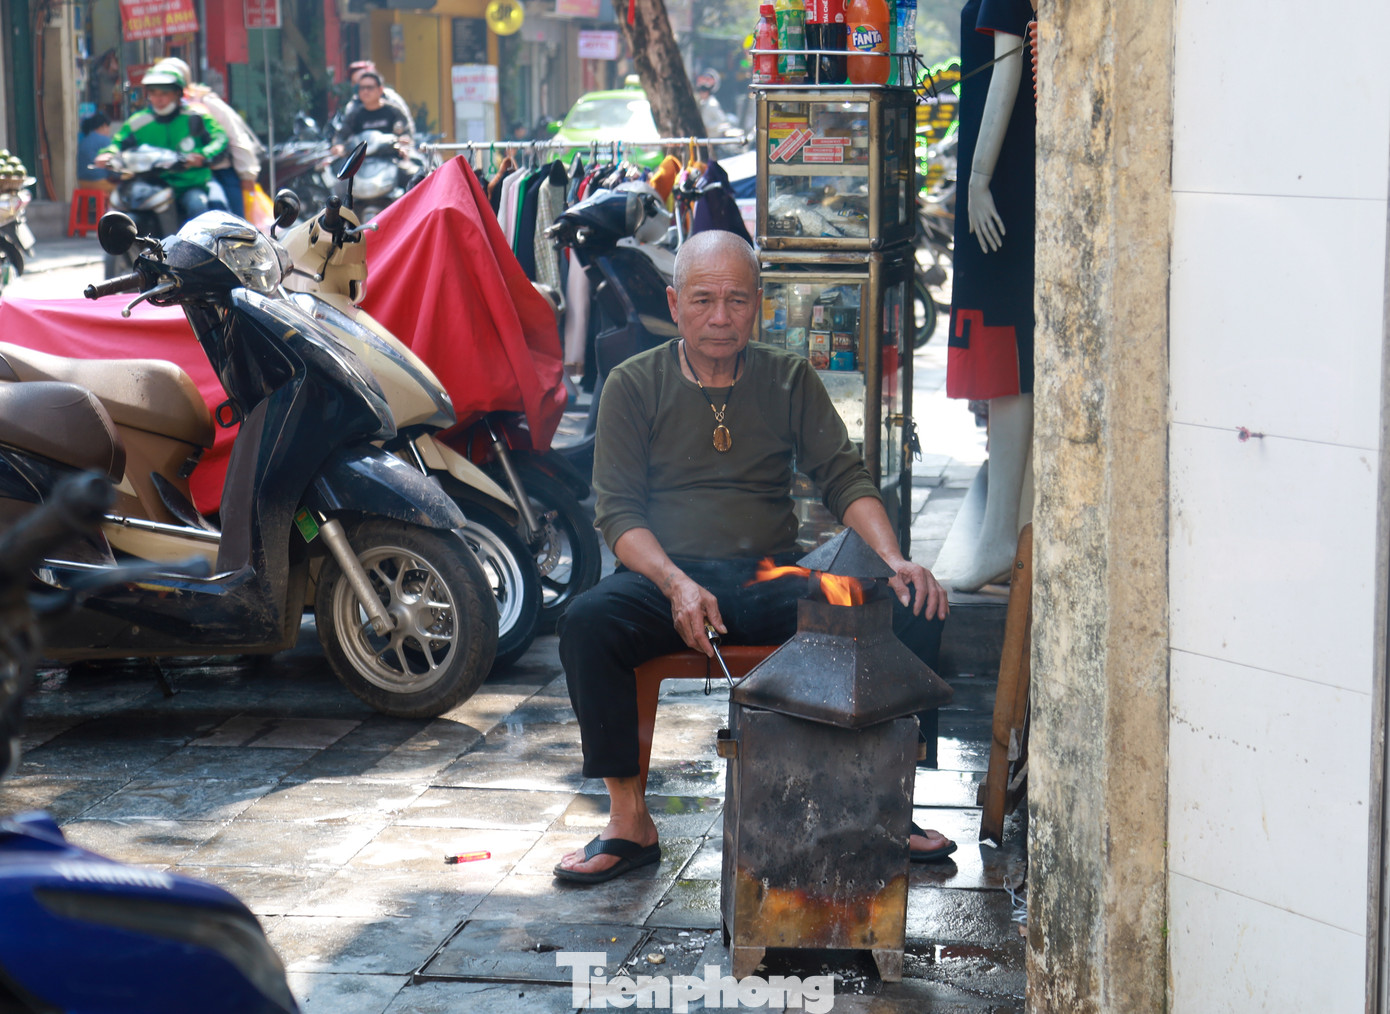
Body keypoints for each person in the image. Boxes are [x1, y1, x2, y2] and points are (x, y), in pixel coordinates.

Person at [553, 229, 955, 884]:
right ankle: (629, 821)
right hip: (664, 580)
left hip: (771, 577)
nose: (720, 317)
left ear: (758, 304)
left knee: (908, 605)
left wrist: (893, 559)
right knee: (587, 623)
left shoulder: (787, 377)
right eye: (703, 300)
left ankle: (889, 805)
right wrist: (676, 583)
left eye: (736, 300)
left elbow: (845, 478)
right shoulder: (633, 383)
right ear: (675, 303)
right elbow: (618, 515)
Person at [937, 0, 1036, 592]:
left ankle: (1001, 535)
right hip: (1001, 179)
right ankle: (1012, 528)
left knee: (1008, 356)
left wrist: (977, 180)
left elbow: (1008, 63)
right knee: (1009, 357)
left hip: (1000, 186)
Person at [94, 65, 229, 223]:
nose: (158, 99)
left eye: (165, 93)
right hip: (148, 187)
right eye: (153, 93)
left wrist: (203, 155)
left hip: (188, 186)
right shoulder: (137, 122)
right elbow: (118, 144)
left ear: (178, 93)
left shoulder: (196, 117)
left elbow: (220, 139)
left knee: (198, 208)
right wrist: (108, 154)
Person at [152, 58, 261, 220]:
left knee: (232, 221)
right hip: (174, 176)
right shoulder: (156, 111)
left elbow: (234, 137)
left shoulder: (205, 104)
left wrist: (247, 175)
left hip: (218, 171)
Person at [332, 71, 411, 156]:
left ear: (380, 90)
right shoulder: (354, 114)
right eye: (362, 88)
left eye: (370, 88)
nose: (365, 91)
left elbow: (405, 132)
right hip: (362, 160)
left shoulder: (394, 111)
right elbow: (341, 135)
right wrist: (338, 146)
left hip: (390, 158)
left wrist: (404, 140)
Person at [76, 112, 115, 193]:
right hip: (99, 182)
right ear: (104, 126)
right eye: (109, 127)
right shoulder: (105, 140)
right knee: (122, 187)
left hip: (82, 181)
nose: (109, 131)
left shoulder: (84, 140)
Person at [694, 69, 732, 136]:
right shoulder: (702, 103)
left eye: (703, 91)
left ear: (707, 92)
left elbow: (721, 120)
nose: (701, 93)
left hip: (713, 137)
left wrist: (708, 127)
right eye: (700, 91)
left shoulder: (712, 104)